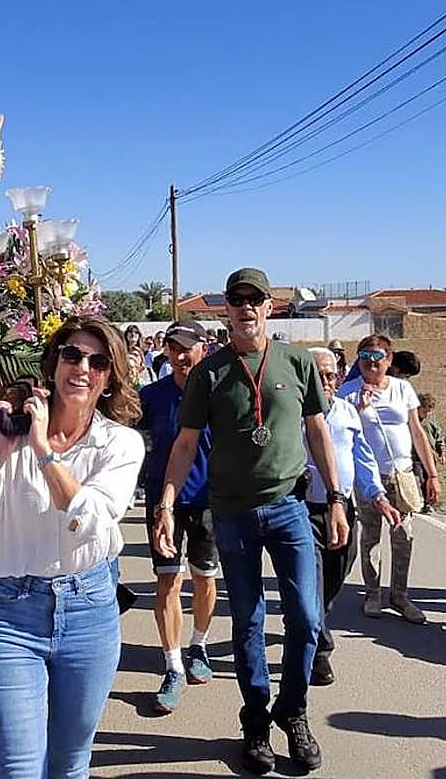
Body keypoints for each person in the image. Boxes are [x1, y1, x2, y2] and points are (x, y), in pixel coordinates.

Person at [155, 268, 347, 775]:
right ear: (226, 309)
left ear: (269, 307)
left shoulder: (297, 361)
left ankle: (294, 711)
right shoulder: (209, 373)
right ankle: (256, 720)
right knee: (249, 623)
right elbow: (185, 444)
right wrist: (166, 505)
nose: (245, 307)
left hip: (289, 507)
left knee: (306, 618)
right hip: (233, 513)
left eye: (254, 299)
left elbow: (318, 432)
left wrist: (338, 499)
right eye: (236, 299)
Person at [0, 316, 144, 778]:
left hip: (89, 610)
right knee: (18, 771)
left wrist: (44, 452)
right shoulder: (8, 436)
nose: (82, 368)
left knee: (70, 764)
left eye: (98, 361)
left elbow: (90, 520)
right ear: (54, 363)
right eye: (72, 354)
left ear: (109, 378)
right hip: (11, 614)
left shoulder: (121, 444)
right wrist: (0, 452)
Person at [139, 320, 217, 714]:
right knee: (167, 583)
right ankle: (172, 667)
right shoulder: (150, 396)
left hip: (208, 503)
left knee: (204, 580)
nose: (181, 354)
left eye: (188, 347)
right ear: (166, 352)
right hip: (162, 503)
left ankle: (198, 645)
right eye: (173, 347)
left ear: (204, 348)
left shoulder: (219, 393)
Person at [337, 334, 441, 624]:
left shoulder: (402, 389)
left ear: (389, 360)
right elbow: (341, 434)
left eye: (378, 357)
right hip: (368, 476)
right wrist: (358, 408)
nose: (372, 363)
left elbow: (417, 432)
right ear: (358, 360)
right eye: (366, 358)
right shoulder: (347, 391)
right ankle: (372, 594)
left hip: (402, 474)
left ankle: (400, 595)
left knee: (403, 535)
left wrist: (431, 474)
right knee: (370, 535)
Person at [304, 348, 385, 686]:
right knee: (314, 579)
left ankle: (311, 621)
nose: (327, 381)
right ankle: (320, 649)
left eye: (332, 374)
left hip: (343, 510)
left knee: (338, 573)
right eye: (319, 375)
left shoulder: (348, 412)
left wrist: (378, 494)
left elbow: (362, 456)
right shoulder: (292, 413)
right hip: (304, 509)